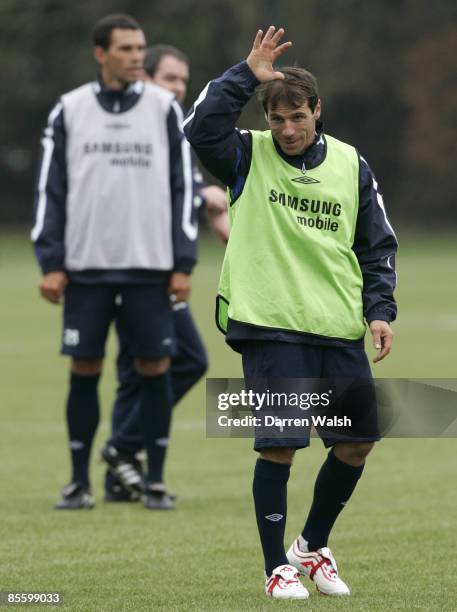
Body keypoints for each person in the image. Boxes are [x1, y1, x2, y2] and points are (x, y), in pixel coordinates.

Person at [184, 27, 397, 599]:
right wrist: (244, 75)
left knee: (357, 442)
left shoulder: (353, 167)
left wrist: (380, 310)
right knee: (280, 441)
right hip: (269, 321)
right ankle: (275, 565)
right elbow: (198, 128)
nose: (287, 129)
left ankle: (311, 545)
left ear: (316, 111)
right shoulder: (245, 155)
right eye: (277, 119)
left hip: (335, 324)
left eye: (297, 117)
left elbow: (376, 247)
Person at [31, 14, 196, 511]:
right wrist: (51, 260)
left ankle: (156, 481)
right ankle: (79, 482)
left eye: (140, 48)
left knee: (155, 366)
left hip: (150, 266)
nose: (135, 57)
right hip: (86, 267)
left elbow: (183, 187)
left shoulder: (165, 108)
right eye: (125, 48)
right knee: (85, 367)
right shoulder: (70, 109)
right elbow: (50, 190)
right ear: (100, 53)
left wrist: (182, 262)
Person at [101, 44, 229, 509]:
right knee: (189, 358)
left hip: (153, 264)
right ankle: (122, 447)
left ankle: (122, 473)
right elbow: (150, 188)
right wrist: (204, 197)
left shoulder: (168, 125)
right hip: (134, 264)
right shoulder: (137, 122)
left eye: (183, 80)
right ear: (146, 79)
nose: (178, 88)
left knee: (136, 371)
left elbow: (181, 183)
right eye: (170, 79)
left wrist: (208, 201)